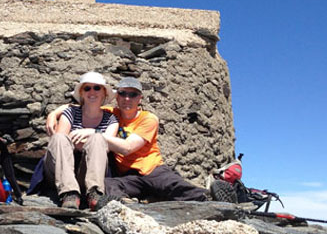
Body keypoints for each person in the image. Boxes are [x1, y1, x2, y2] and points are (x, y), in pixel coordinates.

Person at [47, 77, 209, 203]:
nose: (127, 98)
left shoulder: (148, 119)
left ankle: (212, 197)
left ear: (140, 98)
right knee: (107, 186)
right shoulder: (112, 113)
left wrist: (94, 132)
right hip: (126, 175)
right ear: (116, 97)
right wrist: (53, 114)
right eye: (123, 93)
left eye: (133, 94)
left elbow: (127, 147)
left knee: (175, 187)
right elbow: (81, 106)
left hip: (151, 170)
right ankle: (133, 203)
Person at [43, 72, 119, 209]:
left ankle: (94, 193)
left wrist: (91, 134)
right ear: (82, 93)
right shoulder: (70, 113)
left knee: (98, 138)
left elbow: (107, 146)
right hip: (62, 170)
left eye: (97, 88)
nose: (92, 92)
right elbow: (62, 144)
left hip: (87, 170)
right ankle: (69, 193)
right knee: (59, 138)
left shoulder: (111, 120)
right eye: (87, 88)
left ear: (104, 93)